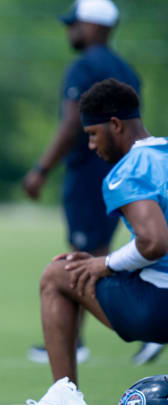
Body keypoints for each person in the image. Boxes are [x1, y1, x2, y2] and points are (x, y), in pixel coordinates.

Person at [20, 0, 162, 365]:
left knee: (62, 272)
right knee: (98, 252)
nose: (70, 31)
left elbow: (155, 241)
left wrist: (41, 169)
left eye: (75, 24)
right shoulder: (128, 73)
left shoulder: (124, 170)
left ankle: (69, 370)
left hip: (88, 179)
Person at [37, 79, 168, 394]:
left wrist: (106, 264)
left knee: (57, 276)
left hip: (158, 305)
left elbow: (155, 242)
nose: (93, 146)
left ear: (115, 125)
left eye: (93, 135)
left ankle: (63, 398)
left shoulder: (129, 169)